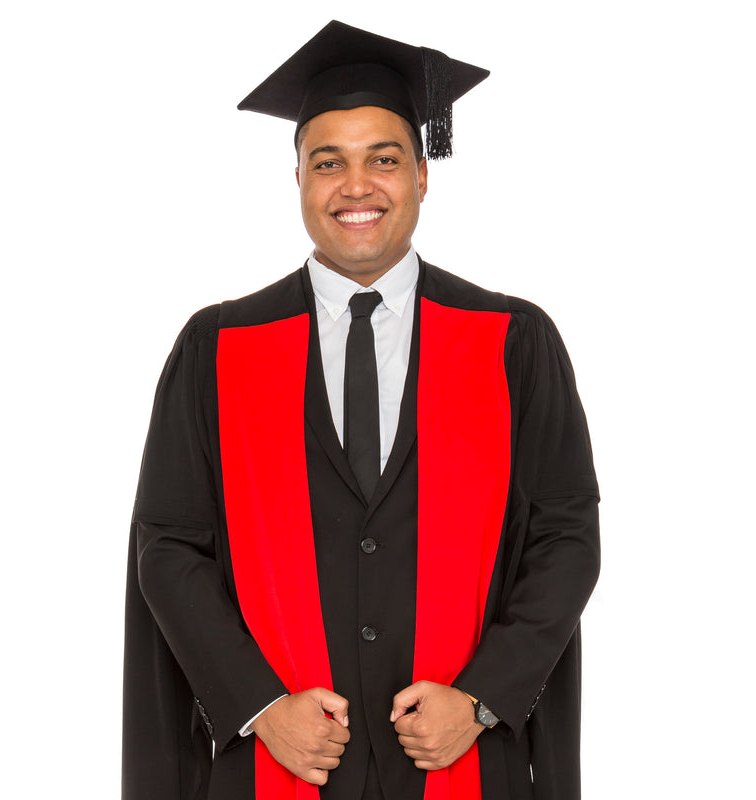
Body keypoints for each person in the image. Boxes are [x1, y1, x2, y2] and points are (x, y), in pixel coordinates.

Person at [122, 20, 600, 800]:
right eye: (328, 163)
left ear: (421, 175)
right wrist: (262, 706)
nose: (356, 186)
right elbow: (170, 548)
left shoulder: (512, 342)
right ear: (300, 181)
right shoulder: (218, 348)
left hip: (462, 764)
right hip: (276, 767)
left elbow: (567, 536)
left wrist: (480, 700)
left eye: (383, 158)